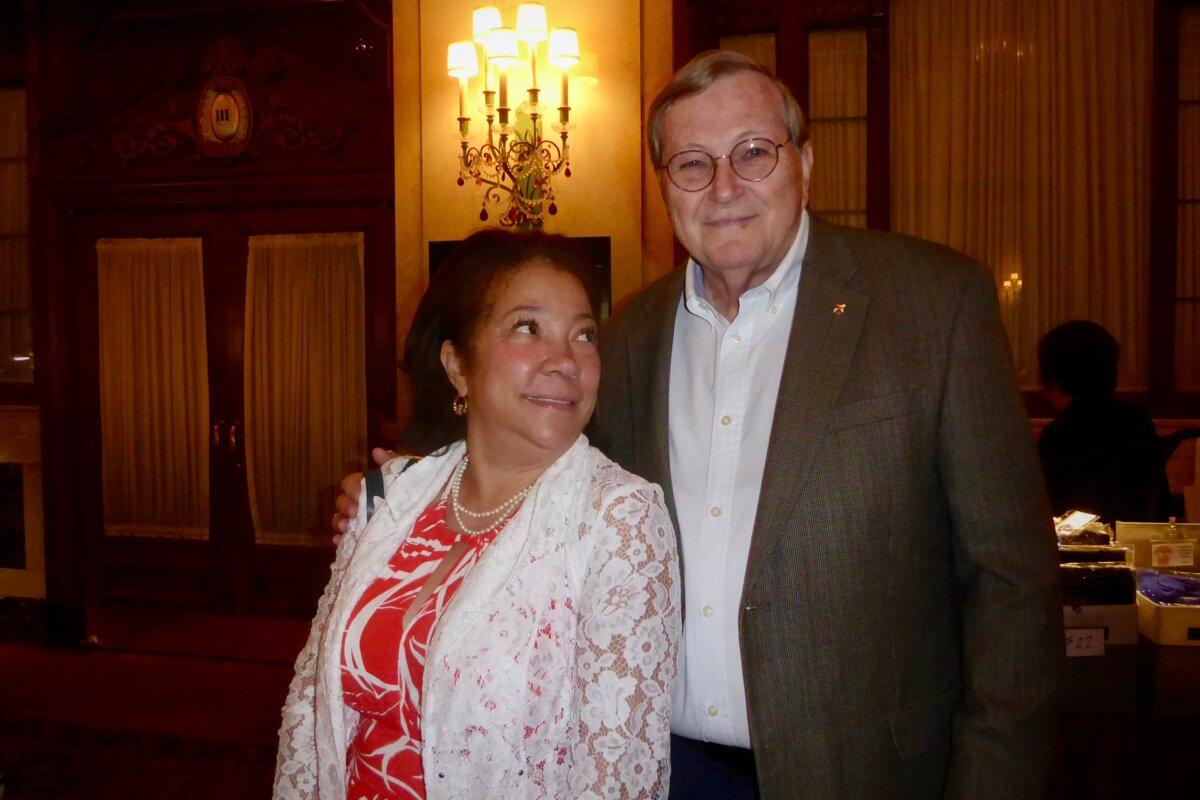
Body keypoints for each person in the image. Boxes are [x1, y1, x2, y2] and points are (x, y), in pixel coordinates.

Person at [337, 52, 1061, 800]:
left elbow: (1012, 581)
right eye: (692, 163)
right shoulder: (624, 339)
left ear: (804, 162)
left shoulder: (931, 304)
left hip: (868, 770)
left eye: (753, 153)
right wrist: (402, 493)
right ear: (663, 189)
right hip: (664, 769)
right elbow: (536, 473)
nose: (724, 188)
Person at [278, 229, 680, 800]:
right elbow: (311, 710)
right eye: (527, 327)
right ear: (457, 366)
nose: (565, 360)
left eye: (584, 334)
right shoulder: (392, 498)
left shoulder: (618, 521)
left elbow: (617, 776)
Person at [1037, 319, 1173, 522]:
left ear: (1052, 375)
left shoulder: (1060, 435)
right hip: (1141, 543)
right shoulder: (1137, 422)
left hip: (1081, 548)